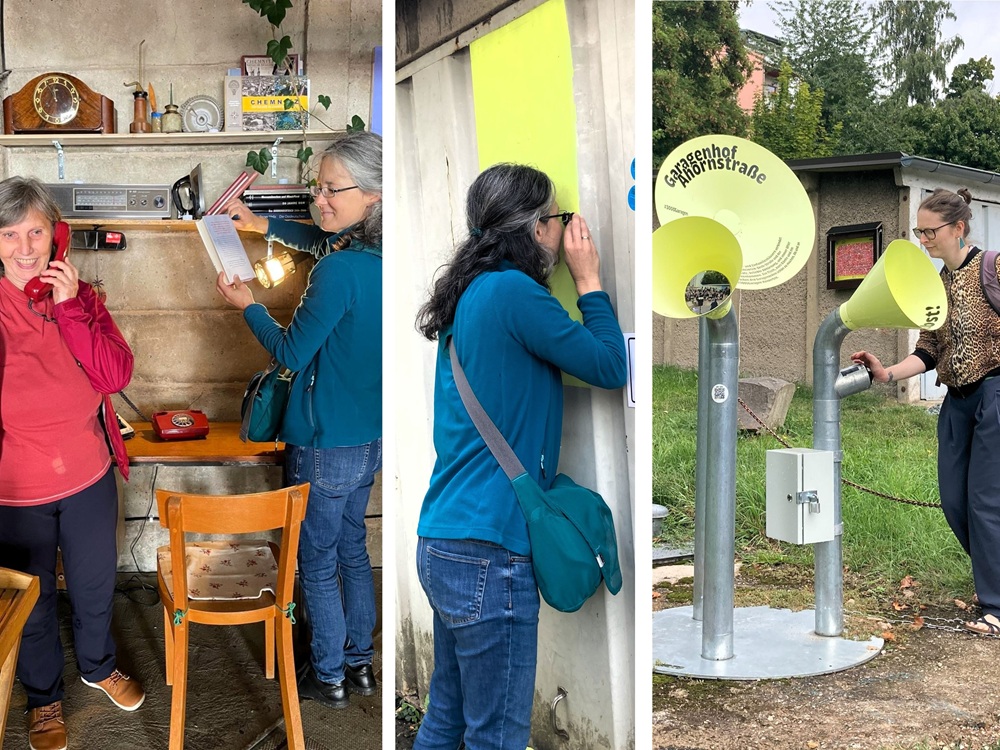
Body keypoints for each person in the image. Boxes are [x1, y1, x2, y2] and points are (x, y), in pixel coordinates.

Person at [413, 163, 628, 749]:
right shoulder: (514, 292)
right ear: (535, 229)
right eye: (556, 220)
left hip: (443, 539)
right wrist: (589, 283)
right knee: (498, 736)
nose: (562, 233)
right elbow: (611, 365)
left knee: (446, 718)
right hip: (489, 549)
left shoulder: (472, 293)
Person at [217, 131, 382, 709]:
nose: (320, 199)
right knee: (352, 551)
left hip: (323, 440)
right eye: (317, 187)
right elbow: (319, 237)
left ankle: (329, 674)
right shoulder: (380, 257)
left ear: (375, 195)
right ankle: (360, 666)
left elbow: (289, 354)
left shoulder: (338, 274)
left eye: (333, 189)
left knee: (315, 557)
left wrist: (249, 307)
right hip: (368, 440)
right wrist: (262, 225)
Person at [0, 177, 144, 750]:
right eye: (9, 233)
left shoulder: (82, 299)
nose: (24, 246)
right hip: (15, 488)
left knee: (93, 586)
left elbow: (114, 376)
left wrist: (71, 308)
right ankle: (43, 699)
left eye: (35, 230)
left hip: (88, 476)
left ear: (56, 236)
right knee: (30, 600)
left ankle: (98, 665)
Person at [851, 186, 1000, 636]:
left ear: (958, 228)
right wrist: (887, 373)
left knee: (984, 502)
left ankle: (995, 606)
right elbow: (929, 350)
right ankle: (994, 579)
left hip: (995, 394)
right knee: (955, 501)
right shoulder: (938, 283)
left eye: (929, 231)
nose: (922, 239)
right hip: (956, 402)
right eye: (917, 231)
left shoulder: (992, 267)